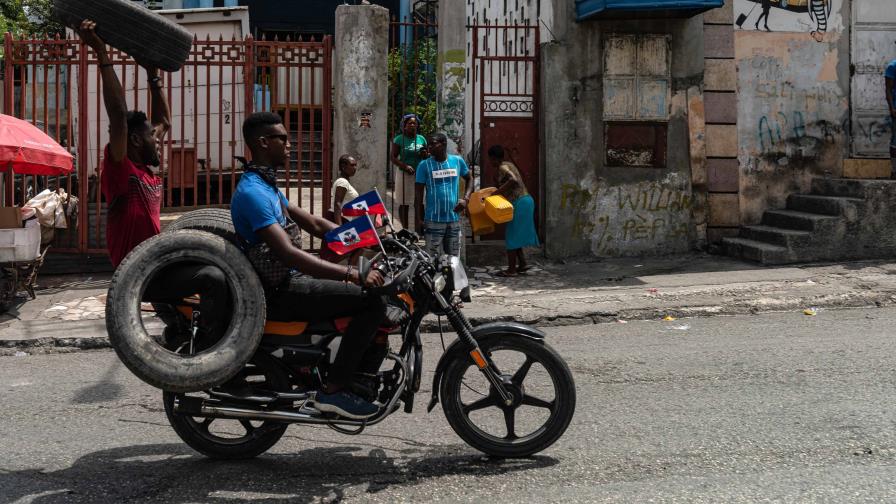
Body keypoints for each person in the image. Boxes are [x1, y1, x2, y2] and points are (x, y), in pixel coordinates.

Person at [230, 112, 388, 419]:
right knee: (372, 303)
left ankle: (355, 377)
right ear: (263, 142)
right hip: (283, 288)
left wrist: (366, 237)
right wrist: (352, 274)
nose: (289, 145)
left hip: (290, 279)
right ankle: (335, 391)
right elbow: (288, 253)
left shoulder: (267, 187)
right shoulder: (252, 193)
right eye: (283, 139)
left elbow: (316, 224)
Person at [78, 20, 228, 342]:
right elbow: (117, 114)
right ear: (133, 140)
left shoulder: (144, 164)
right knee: (213, 278)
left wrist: (151, 73)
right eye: (151, 139)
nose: (157, 141)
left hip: (157, 260)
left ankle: (183, 339)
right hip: (137, 270)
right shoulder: (120, 167)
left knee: (217, 266)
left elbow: (163, 121)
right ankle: (216, 350)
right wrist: (101, 51)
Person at [414, 132, 472, 259]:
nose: (429, 148)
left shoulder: (457, 161)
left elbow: (469, 178)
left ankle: (451, 280)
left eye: (433, 144)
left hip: (453, 220)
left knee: (453, 260)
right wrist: (419, 219)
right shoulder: (424, 166)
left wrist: (466, 199)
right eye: (428, 145)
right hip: (433, 220)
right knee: (431, 260)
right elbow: (418, 196)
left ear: (444, 144)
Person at [487, 145, 539, 277]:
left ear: (494, 158)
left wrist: (496, 193)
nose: (490, 162)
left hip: (519, 203)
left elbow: (513, 180)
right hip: (526, 200)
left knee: (511, 235)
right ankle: (522, 263)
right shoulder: (508, 164)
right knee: (516, 234)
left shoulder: (502, 167)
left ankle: (511, 270)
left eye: (491, 159)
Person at [390, 114, 428, 229]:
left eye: (414, 123)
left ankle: (419, 229)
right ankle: (405, 230)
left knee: (419, 202)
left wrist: (425, 154)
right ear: (404, 126)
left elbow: (426, 154)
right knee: (404, 202)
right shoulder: (399, 139)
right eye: (410, 123)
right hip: (404, 174)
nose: (412, 125)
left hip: (420, 173)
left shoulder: (421, 138)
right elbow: (393, 157)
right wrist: (405, 166)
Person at [331, 155, 360, 226]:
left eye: (355, 165)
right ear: (343, 166)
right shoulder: (343, 182)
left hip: (345, 219)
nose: (355, 168)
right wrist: (340, 228)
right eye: (352, 165)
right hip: (341, 220)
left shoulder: (345, 182)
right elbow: (337, 204)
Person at [886, 52, 896, 178]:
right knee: (895, 141)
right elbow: (888, 89)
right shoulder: (892, 66)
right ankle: (894, 171)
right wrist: (892, 109)